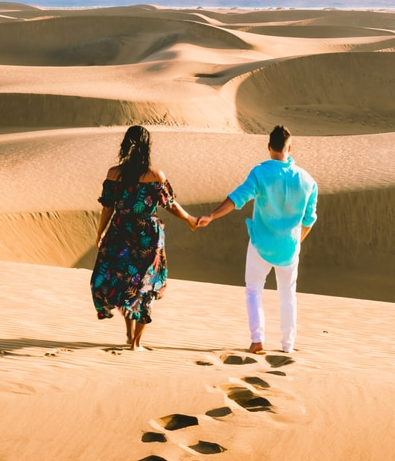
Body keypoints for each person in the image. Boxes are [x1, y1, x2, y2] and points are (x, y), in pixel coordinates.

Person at [197, 125, 317, 354]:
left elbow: (237, 198)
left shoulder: (260, 173)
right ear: (290, 147)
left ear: (269, 147)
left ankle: (257, 340)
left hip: (261, 244)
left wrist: (211, 215)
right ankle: (287, 345)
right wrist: (297, 241)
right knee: (288, 295)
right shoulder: (307, 180)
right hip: (289, 249)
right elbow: (309, 220)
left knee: (253, 290)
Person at [91, 125, 198, 351]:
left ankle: (130, 335)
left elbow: (107, 208)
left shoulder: (113, 174)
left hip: (120, 232)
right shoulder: (155, 175)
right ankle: (135, 342)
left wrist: (100, 232)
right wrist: (189, 218)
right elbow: (169, 204)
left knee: (125, 282)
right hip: (147, 237)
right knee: (143, 286)